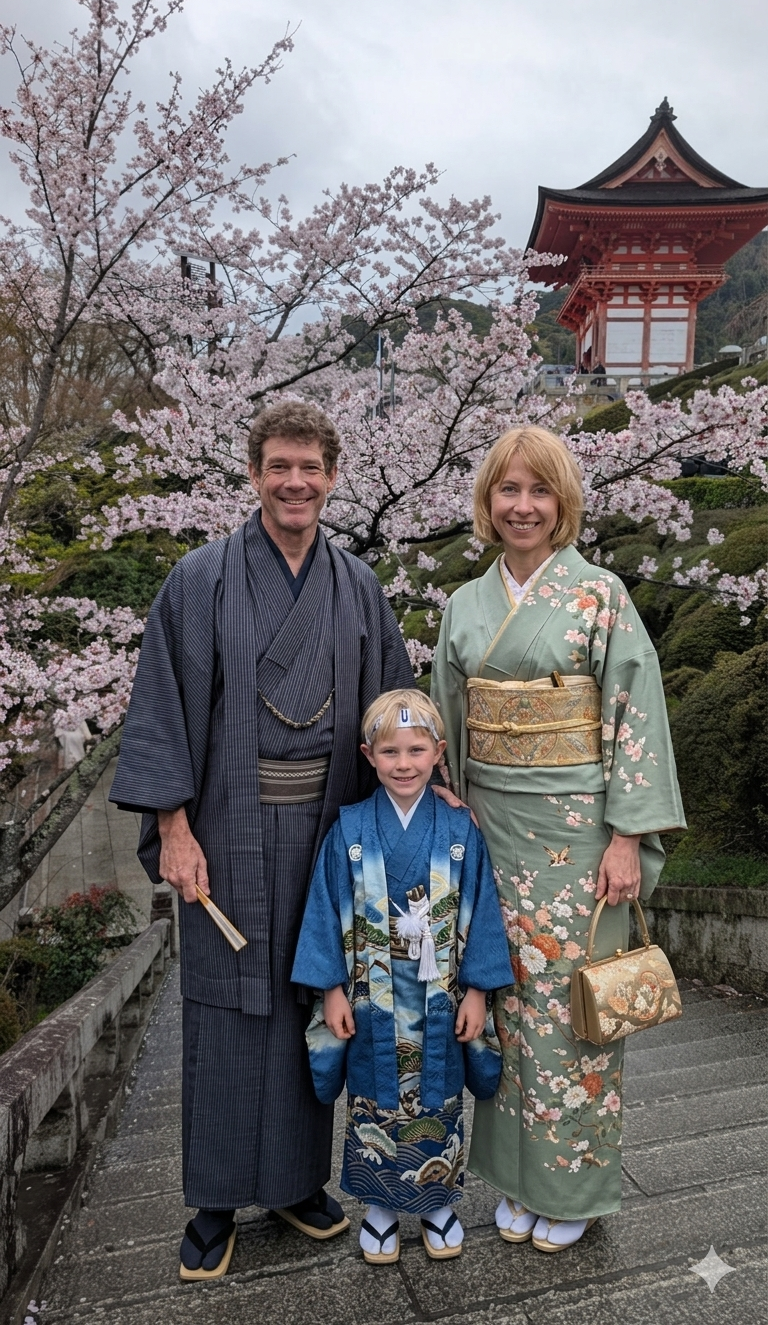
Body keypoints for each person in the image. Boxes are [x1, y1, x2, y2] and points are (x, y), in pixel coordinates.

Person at [110, 400, 414, 1280]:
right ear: (253, 473)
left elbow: (394, 706)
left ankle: (292, 1181)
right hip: (228, 827)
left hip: (327, 830)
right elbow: (162, 708)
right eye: (279, 466)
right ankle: (212, 1200)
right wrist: (172, 826)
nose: (295, 482)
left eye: (311, 467)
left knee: (313, 998)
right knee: (224, 1004)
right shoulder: (197, 580)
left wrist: (424, 800)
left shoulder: (356, 583)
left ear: (331, 476)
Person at [431, 427, 685, 1253]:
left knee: (575, 1012)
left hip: (580, 838)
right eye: (508, 491)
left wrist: (626, 835)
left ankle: (571, 1183)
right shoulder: (467, 605)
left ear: (563, 503)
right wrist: (452, 813)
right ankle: (513, 1178)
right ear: (488, 502)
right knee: (500, 1003)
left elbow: (634, 716)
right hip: (492, 831)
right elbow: (449, 726)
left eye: (540, 491)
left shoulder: (600, 594)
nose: (523, 507)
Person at [291, 690, 512, 1265]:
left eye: (417, 750)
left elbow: (482, 911)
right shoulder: (351, 828)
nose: (405, 763)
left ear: (440, 752)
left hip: (443, 993)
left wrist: (482, 993)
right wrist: (332, 988)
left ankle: (439, 1205)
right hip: (371, 994)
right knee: (372, 1095)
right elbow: (325, 907)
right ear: (368, 755)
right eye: (390, 751)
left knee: (439, 1094)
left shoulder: (460, 831)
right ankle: (380, 1209)